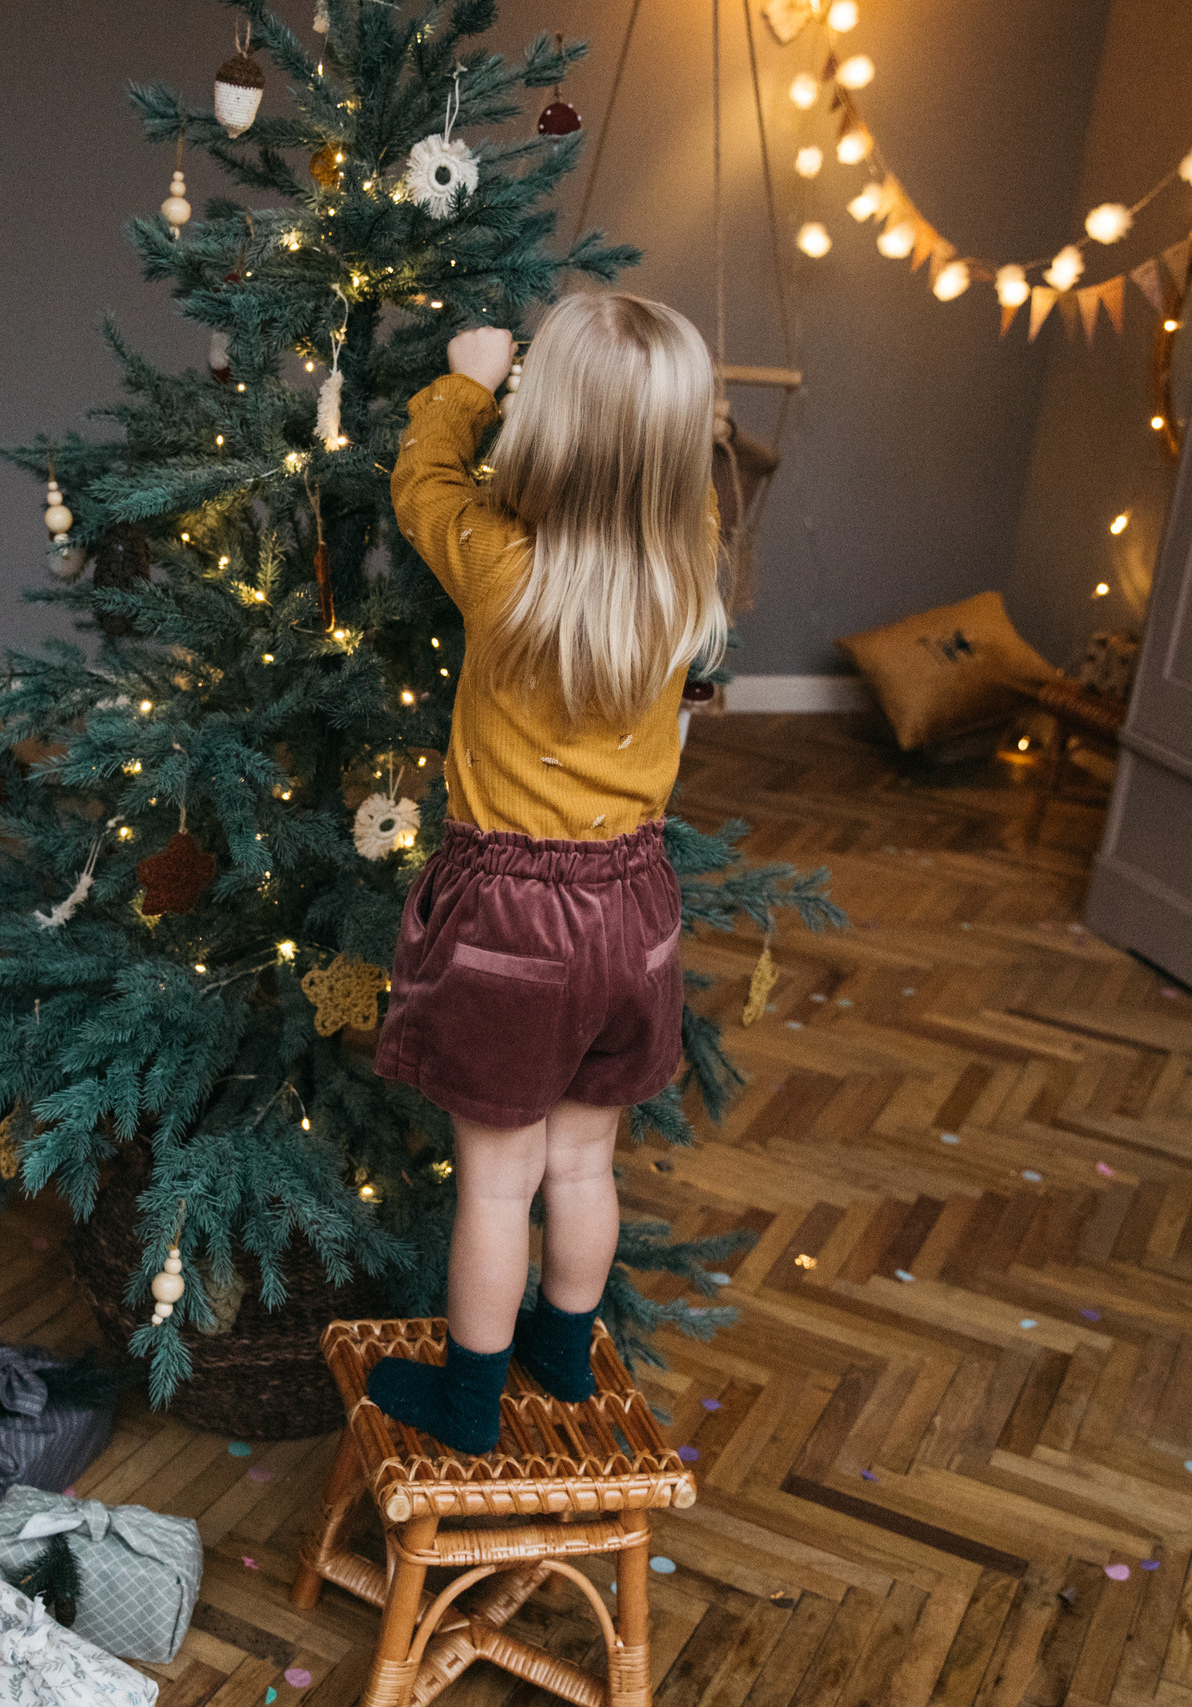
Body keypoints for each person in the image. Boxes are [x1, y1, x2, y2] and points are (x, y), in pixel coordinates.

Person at [368, 292, 726, 1453]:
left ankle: (468, 1404)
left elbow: (420, 482)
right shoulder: (691, 558)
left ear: (547, 427)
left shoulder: (496, 556)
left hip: (512, 920)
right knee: (581, 1161)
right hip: (637, 909)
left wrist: (467, 384)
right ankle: (563, 1366)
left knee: (495, 1183)